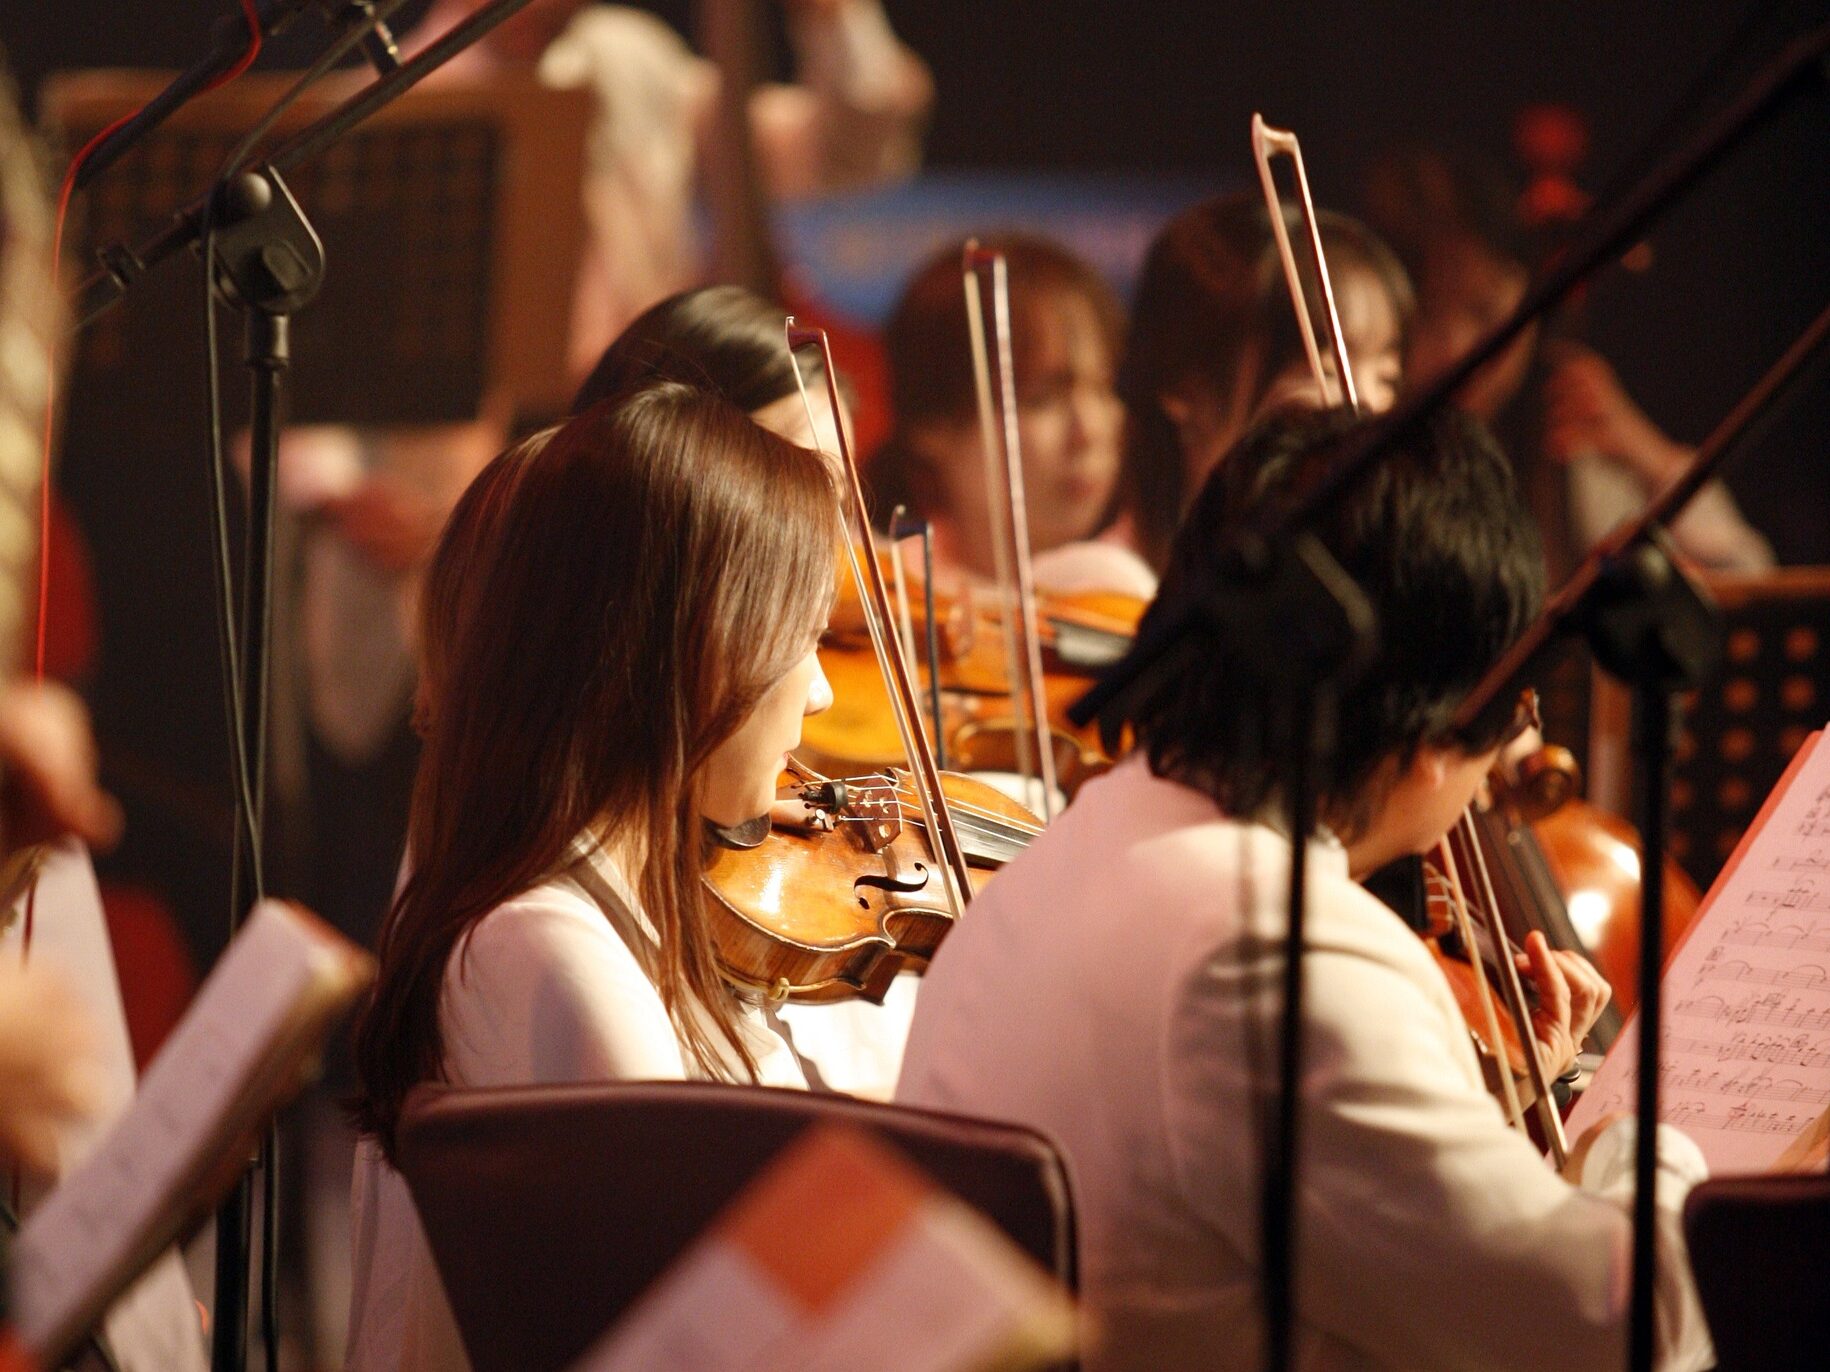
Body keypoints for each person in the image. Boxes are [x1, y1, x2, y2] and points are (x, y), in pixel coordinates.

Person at [896, 408, 1715, 1371]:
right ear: (1422, 737)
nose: (1512, 755)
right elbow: (1611, 1330)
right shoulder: (1273, 955)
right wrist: (1643, 1146)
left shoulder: (1081, 844)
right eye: (1515, 708)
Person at [344, 382, 841, 1370]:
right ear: (706, 648)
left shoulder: (573, 909)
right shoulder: (551, 950)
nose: (824, 692)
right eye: (807, 640)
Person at [410, 0, 934, 375]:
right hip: (463, 479)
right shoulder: (407, 95)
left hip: (647, 420)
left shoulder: (628, 56)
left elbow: (845, 154)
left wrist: (831, 14)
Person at [1360, 144, 1774, 580]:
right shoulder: (1366, 453)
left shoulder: (1561, 431)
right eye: (1427, 314)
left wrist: (1646, 454)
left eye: (1484, 311)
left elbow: (1746, 577)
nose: (1458, 350)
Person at [1119, 193, 1413, 571]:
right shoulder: (1109, 586)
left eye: (1387, 378)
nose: (1366, 406)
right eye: (1321, 370)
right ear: (1184, 386)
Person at [865, 235, 1149, 598]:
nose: (1090, 431)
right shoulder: (888, 597)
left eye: (1106, 387)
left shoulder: (1149, 588)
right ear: (930, 424)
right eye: (1041, 399)